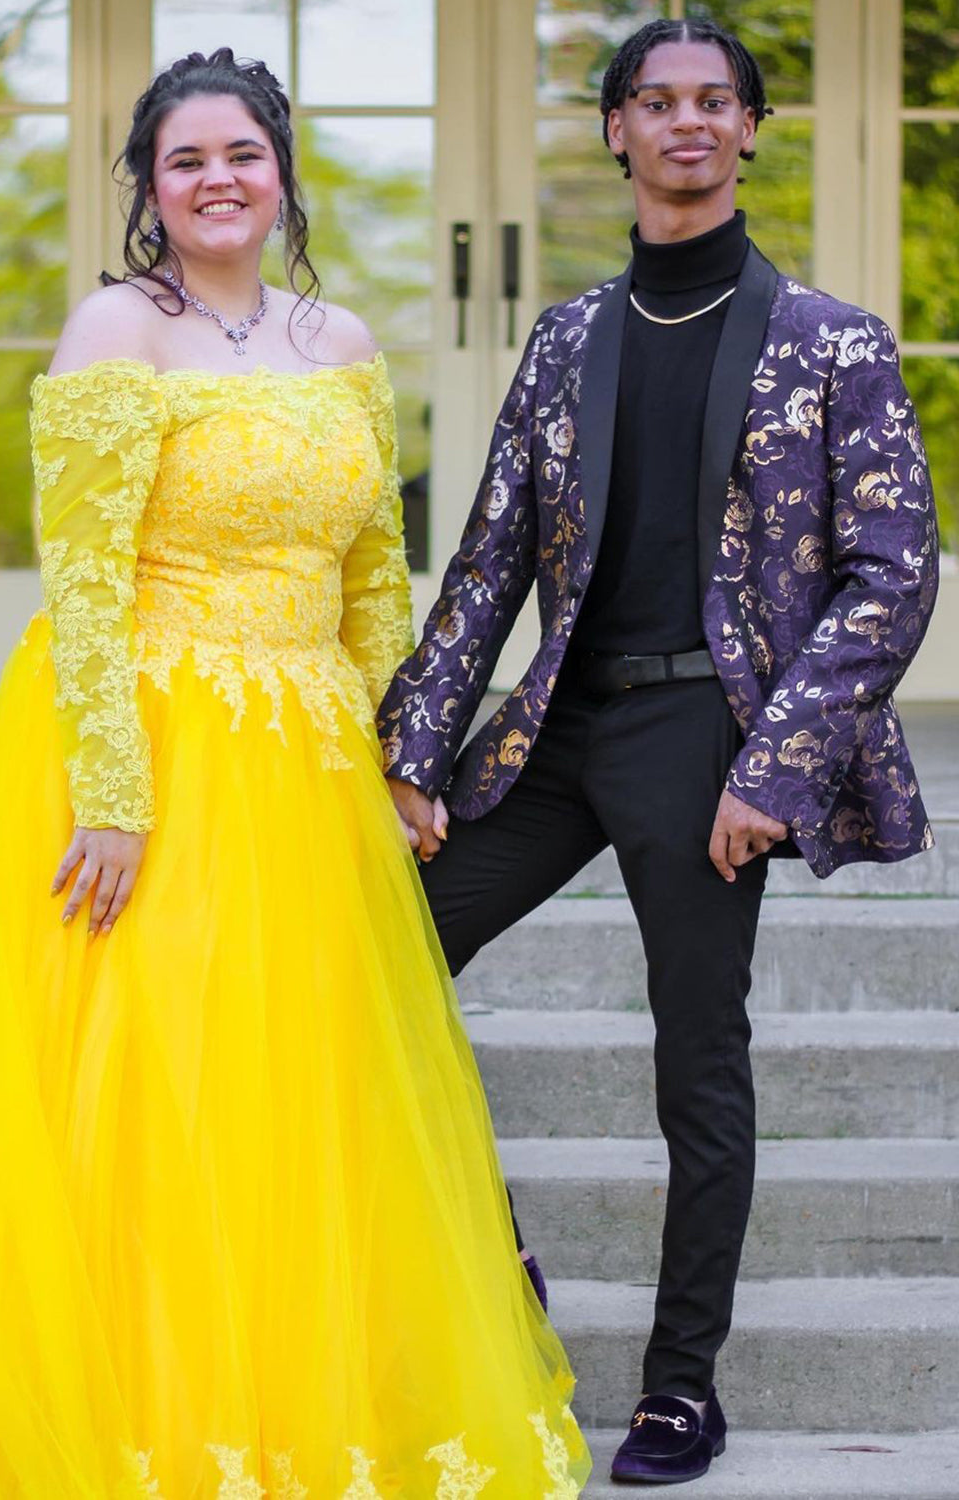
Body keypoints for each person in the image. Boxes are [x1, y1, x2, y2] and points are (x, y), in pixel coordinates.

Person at [0, 48, 591, 1498]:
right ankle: (159, 1415)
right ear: (149, 187)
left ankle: (320, 1399)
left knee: (311, 1084)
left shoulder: (342, 342)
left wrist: (399, 755)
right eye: (184, 161)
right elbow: (87, 579)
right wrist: (112, 796)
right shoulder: (115, 331)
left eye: (240, 153)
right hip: (156, 744)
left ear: (280, 169)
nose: (216, 181)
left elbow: (376, 573)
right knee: (167, 1083)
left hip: (310, 760)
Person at [380, 17, 938, 1489]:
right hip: (562, 725)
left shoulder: (833, 343)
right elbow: (491, 558)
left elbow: (895, 572)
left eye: (715, 101)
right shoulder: (569, 338)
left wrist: (779, 766)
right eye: (656, 100)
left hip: (714, 733)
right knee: (374, 960)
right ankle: (498, 1269)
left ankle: (681, 1390)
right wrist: (416, 750)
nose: (687, 122)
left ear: (749, 131)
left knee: (699, 1062)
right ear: (616, 131)